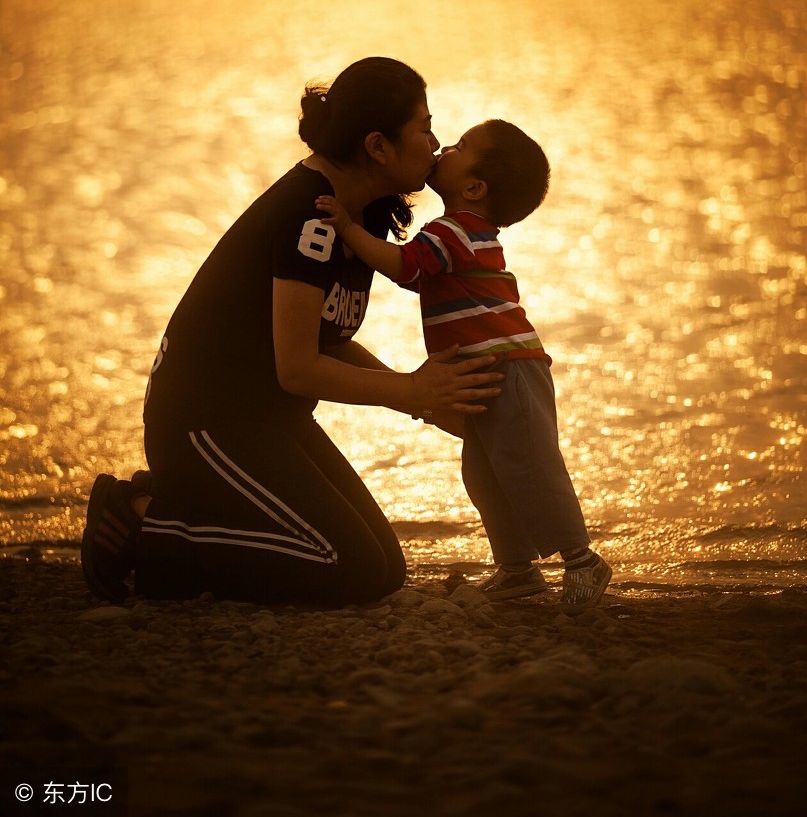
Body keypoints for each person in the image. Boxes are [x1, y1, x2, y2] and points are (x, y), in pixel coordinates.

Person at [81, 58, 503, 607]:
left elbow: (328, 340)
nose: (435, 141)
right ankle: (140, 523)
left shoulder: (361, 216)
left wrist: (425, 404)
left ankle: (178, 506)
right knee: (344, 568)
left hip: (268, 422)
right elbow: (298, 367)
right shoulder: (309, 215)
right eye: (424, 128)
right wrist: (410, 390)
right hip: (204, 425)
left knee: (383, 567)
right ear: (378, 146)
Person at [316, 119, 612, 613]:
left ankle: (582, 561)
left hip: (509, 366)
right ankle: (517, 569)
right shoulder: (458, 235)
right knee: (484, 473)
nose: (445, 147)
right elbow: (417, 273)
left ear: (474, 187)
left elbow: (408, 267)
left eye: (460, 146)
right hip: (485, 372)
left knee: (530, 467)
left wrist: (347, 227)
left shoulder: (455, 231)